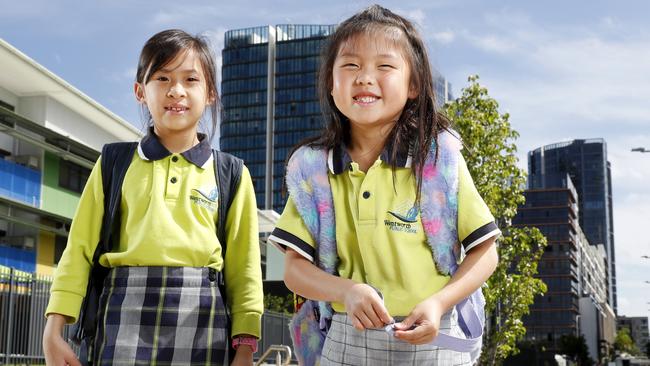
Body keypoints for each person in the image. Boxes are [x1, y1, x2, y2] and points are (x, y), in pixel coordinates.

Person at [269, 5, 500, 365]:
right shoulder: (311, 169)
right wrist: (346, 292)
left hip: (434, 333)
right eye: (350, 65)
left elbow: (486, 253)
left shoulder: (440, 158)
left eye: (384, 66)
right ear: (332, 84)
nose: (364, 77)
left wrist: (439, 303)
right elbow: (293, 270)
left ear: (413, 85)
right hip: (347, 336)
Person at [42, 29, 263, 366]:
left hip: (205, 323)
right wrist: (53, 329)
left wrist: (245, 347)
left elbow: (244, 270)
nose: (176, 90)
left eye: (190, 79)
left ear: (211, 94)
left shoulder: (232, 174)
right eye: (162, 77)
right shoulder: (113, 164)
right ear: (140, 91)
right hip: (121, 316)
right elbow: (78, 252)